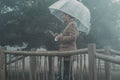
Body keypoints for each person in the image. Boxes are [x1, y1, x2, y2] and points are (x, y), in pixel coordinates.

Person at [54, 12, 79, 80]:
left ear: (68, 15)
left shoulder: (72, 24)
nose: (62, 17)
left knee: (64, 75)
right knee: (65, 75)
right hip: (66, 54)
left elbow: (73, 37)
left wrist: (61, 38)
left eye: (63, 15)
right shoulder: (69, 24)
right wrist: (58, 36)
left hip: (68, 54)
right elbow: (67, 36)